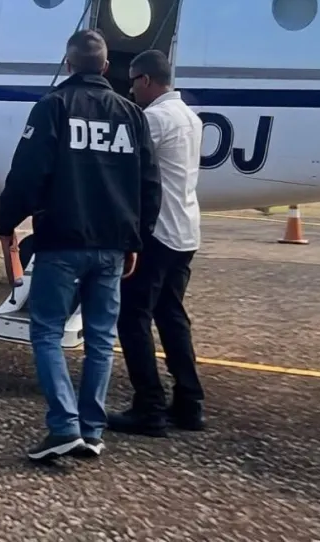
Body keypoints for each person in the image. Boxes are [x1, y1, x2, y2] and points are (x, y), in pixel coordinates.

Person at [0, 29, 161, 462]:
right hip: (112, 244)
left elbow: (28, 171)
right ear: (105, 67)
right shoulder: (131, 113)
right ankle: (92, 428)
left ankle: (64, 426)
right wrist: (136, 238)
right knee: (101, 338)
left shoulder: (53, 106)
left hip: (62, 240)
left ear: (68, 64)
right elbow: (149, 183)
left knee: (47, 331)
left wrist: (6, 221)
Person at [107, 49, 206, 436]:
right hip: (185, 231)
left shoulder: (153, 119)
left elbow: (127, 170)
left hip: (157, 233)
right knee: (172, 316)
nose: (130, 90)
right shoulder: (190, 117)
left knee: (132, 318)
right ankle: (189, 403)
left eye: (132, 82)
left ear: (146, 80)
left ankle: (148, 406)